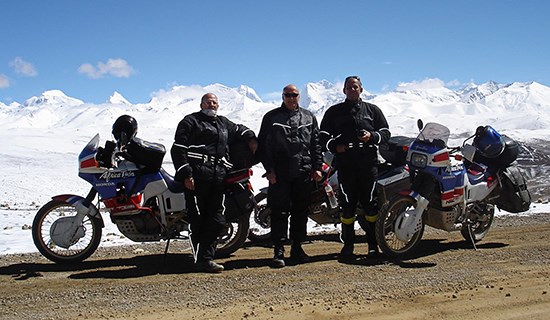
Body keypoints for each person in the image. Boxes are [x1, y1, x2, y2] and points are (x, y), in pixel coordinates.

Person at [171, 93, 257, 273]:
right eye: (208, 102)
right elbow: (178, 149)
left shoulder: (223, 123)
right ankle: (201, 260)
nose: (212, 104)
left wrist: (251, 138)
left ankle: (206, 257)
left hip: (218, 178)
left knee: (217, 220)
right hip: (197, 177)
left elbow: (239, 129)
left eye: (215, 102)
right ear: (201, 104)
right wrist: (186, 174)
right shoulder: (190, 121)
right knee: (198, 220)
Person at [320, 76, 390, 260]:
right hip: (346, 164)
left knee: (370, 205)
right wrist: (335, 146)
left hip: (368, 163)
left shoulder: (373, 110)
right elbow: (322, 136)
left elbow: (386, 133)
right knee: (348, 206)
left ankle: (373, 245)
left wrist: (372, 136)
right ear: (343, 90)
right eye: (349, 87)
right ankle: (348, 245)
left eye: (355, 86)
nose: (352, 89)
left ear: (361, 89)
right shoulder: (334, 112)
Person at [257, 84, 323, 268]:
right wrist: (269, 170)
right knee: (279, 211)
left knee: (300, 211)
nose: (291, 98)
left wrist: (317, 167)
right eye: (288, 95)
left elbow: (315, 143)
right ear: (283, 96)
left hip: (303, 172)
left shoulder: (309, 117)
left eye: (294, 95)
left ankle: (297, 248)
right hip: (280, 174)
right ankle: (278, 250)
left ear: (299, 96)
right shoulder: (271, 117)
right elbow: (263, 146)